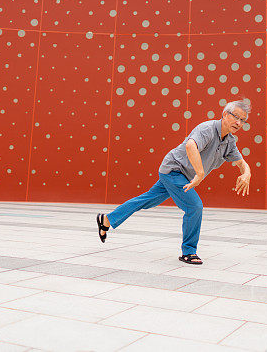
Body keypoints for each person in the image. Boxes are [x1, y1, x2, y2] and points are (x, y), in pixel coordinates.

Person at [96, 99, 253, 264]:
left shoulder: (229, 141)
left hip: (182, 175)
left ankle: (107, 220)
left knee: (146, 200)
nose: (239, 122)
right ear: (225, 114)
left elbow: (241, 163)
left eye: (243, 120)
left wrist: (247, 173)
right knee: (194, 206)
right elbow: (190, 146)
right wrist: (199, 174)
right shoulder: (207, 129)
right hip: (174, 170)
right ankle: (189, 252)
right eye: (236, 117)